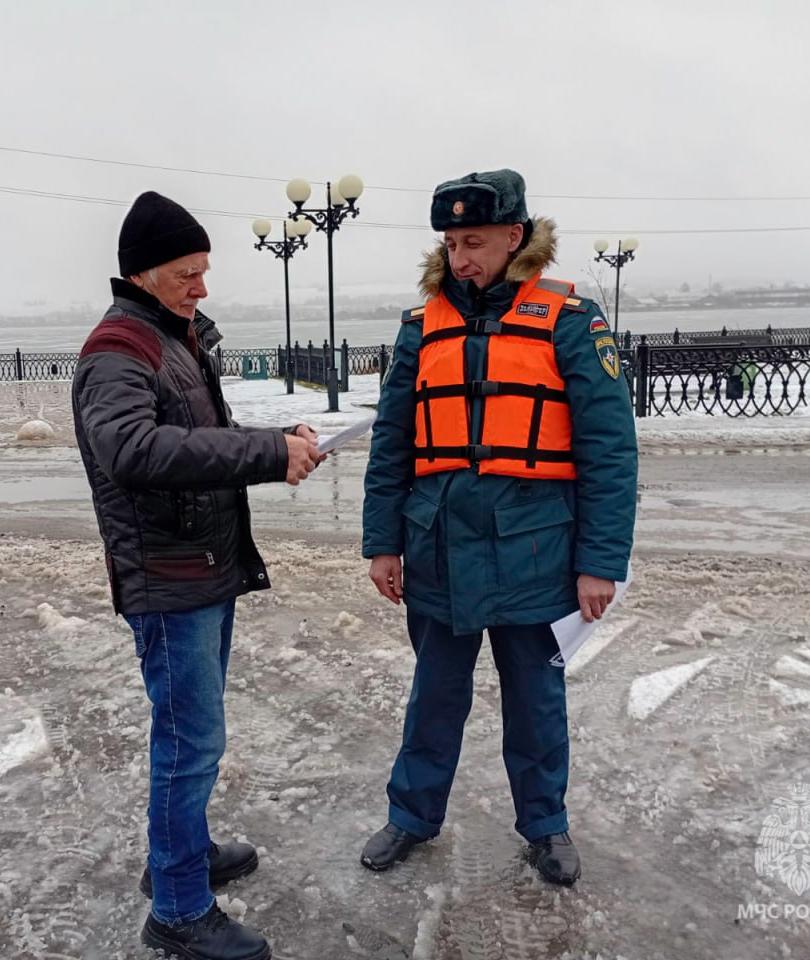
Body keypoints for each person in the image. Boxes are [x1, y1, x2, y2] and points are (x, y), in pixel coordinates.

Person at [359, 169, 637, 885]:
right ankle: (411, 815)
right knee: (433, 696)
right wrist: (382, 543)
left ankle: (546, 825)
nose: (460, 259)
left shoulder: (571, 320)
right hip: (437, 547)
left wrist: (600, 562)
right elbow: (392, 443)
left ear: (515, 236)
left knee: (536, 703)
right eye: (451, 244)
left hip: (535, 550)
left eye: (474, 242)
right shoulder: (420, 327)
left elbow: (609, 449)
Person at [72, 190, 323, 959]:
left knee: (193, 737)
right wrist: (268, 455)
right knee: (189, 743)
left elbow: (201, 437)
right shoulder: (119, 349)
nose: (202, 288)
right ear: (143, 274)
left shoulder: (173, 339)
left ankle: (179, 855)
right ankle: (178, 909)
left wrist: (279, 439)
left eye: (204, 271)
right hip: (168, 578)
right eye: (188, 273)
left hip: (202, 566)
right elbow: (134, 450)